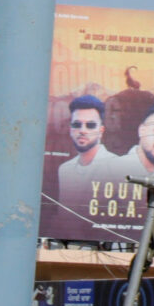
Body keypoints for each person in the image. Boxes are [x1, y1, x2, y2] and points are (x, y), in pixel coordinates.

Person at [52, 92, 118, 227]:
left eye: (90, 125)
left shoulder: (117, 166)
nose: (82, 130)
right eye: (77, 124)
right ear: (70, 129)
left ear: (101, 130)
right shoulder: (64, 170)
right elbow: (63, 220)